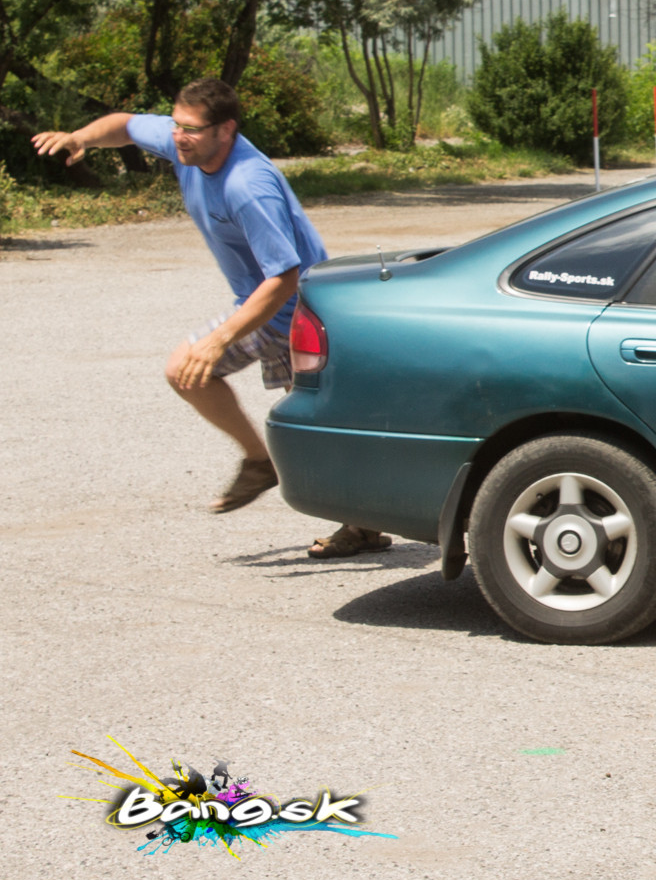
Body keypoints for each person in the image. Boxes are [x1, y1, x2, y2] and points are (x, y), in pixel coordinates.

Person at [30, 79, 391, 559]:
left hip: (300, 312)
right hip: (259, 306)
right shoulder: (185, 144)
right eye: (177, 125)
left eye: (192, 129)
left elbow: (283, 277)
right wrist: (80, 138)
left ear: (226, 130)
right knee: (186, 372)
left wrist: (219, 339)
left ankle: (368, 519)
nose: (179, 136)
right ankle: (262, 462)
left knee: (315, 424)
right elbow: (127, 126)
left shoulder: (248, 186)